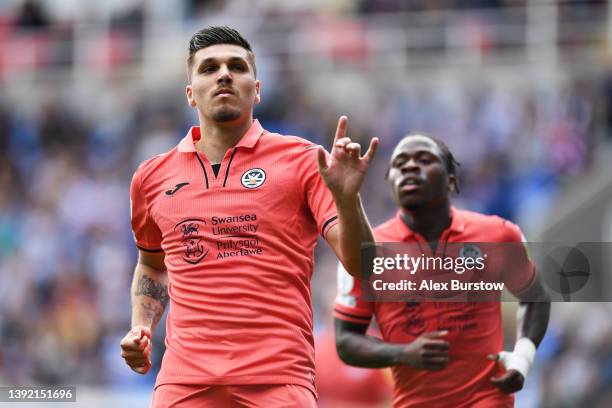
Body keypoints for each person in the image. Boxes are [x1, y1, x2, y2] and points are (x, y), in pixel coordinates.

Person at [119, 26, 378, 407]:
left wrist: (348, 200)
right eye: (208, 68)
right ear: (190, 94)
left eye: (237, 66)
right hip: (185, 381)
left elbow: (364, 265)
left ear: (256, 88)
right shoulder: (152, 177)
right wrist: (141, 327)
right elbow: (152, 265)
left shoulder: (305, 160)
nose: (223, 74)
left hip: (278, 378)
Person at [334, 134, 550, 407]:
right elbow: (345, 339)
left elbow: (536, 298)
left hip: (488, 399)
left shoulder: (497, 234)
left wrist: (523, 356)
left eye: (424, 160)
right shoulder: (367, 251)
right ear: (390, 183)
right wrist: (403, 353)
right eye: (399, 164)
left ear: (451, 179)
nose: (410, 167)